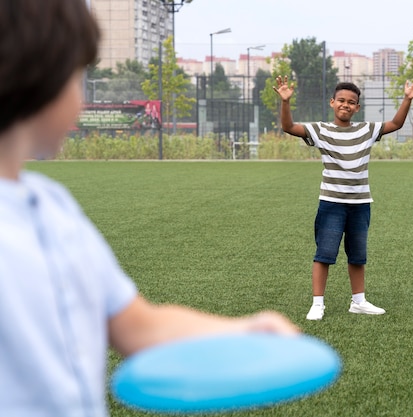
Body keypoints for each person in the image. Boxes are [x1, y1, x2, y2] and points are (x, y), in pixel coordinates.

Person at [0, 1, 299, 416]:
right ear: (42, 75)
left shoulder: (52, 208)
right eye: (78, 75)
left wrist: (245, 329)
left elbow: (138, 326)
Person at [273, 75, 413, 320]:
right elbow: (289, 127)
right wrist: (285, 102)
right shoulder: (320, 130)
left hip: (360, 204)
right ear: (332, 103)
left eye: (351, 102)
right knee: (324, 253)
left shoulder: (366, 130)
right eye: (341, 100)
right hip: (331, 203)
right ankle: (317, 304)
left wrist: (407, 99)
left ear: (357, 107)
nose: (346, 105)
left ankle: (359, 301)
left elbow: (396, 124)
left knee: (357, 255)